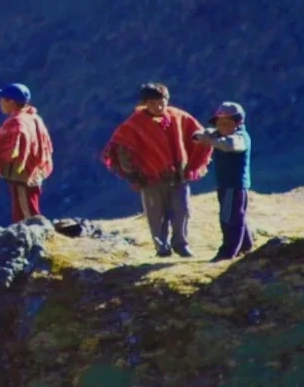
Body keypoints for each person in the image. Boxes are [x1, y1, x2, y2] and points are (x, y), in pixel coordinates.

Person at [101, 83, 211, 257]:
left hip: (178, 176)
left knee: (182, 210)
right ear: (145, 103)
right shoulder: (133, 125)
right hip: (150, 179)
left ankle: (181, 244)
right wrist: (133, 176)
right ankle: (162, 247)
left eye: (162, 102)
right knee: (156, 214)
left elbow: (197, 133)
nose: (159, 107)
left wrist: (200, 147)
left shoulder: (178, 117)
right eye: (153, 103)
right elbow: (122, 148)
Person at [0, 83, 54, 224]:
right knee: (26, 205)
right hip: (33, 171)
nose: (0, 103)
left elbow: (7, 148)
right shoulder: (34, 118)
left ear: (11, 102)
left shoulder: (17, 123)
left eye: (2, 99)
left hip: (22, 174)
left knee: (26, 213)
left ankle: (35, 235)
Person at [193, 101, 255, 261]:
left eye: (227, 123)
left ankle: (228, 251)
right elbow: (210, 133)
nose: (222, 127)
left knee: (229, 218)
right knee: (236, 215)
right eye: (219, 123)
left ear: (238, 122)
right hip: (226, 184)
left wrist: (208, 140)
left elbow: (231, 145)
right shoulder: (220, 134)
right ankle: (245, 245)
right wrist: (203, 135)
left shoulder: (240, 138)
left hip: (233, 185)